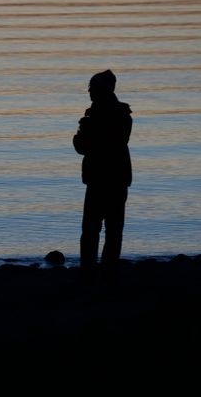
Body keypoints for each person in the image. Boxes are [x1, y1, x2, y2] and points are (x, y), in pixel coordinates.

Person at [73, 70, 132, 281]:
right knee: (110, 229)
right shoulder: (120, 114)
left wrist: (84, 132)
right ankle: (106, 270)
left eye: (92, 88)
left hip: (102, 179)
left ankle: (92, 271)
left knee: (94, 229)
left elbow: (83, 146)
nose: (89, 92)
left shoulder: (103, 116)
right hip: (113, 179)